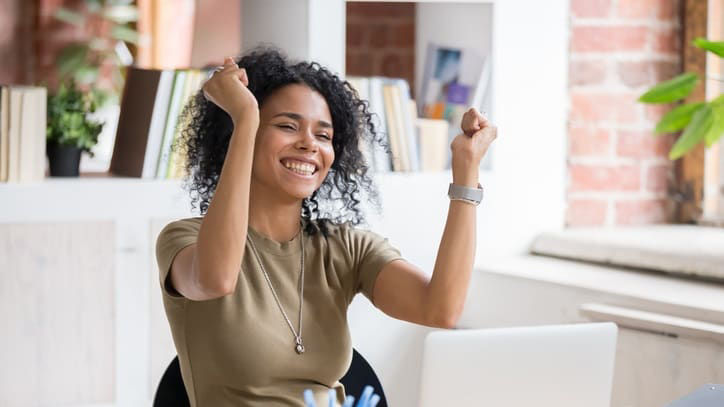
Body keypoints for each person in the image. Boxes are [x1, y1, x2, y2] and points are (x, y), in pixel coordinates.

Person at [155, 47, 497, 407]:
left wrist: (466, 171)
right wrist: (245, 116)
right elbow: (215, 278)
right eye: (287, 126)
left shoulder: (343, 246)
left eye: (323, 135)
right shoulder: (185, 239)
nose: (308, 144)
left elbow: (440, 309)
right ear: (239, 136)